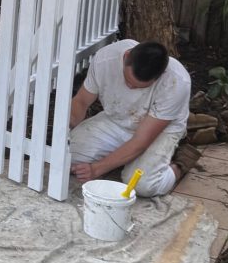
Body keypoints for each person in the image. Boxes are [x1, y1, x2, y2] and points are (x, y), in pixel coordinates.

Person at [69, 40, 200, 197]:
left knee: (141, 185)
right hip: (117, 120)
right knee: (69, 157)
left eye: (138, 86)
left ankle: (179, 163)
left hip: (158, 132)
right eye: (128, 81)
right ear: (126, 56)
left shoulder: (176, 82)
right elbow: (81, 101)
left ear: (159, 76)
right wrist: (65, 131)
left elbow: (141, 141)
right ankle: (126, 159)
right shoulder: (106, 59)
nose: (130, 87)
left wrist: (96, 169)